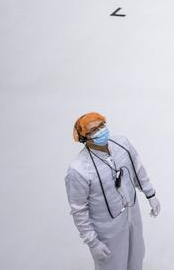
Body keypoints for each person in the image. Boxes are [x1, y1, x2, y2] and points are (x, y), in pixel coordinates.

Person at [65, 112, 159, 269]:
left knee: (136, 259)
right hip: (107, 231)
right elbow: (79, 211)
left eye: (102, 125)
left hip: (132, 218)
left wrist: (151, 195)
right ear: (84, 138)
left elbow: (137, 169)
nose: (101, 131)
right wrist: (93, 242)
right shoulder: (79, 169)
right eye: (94, 130)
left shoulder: (122, 144)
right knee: (113, 265)